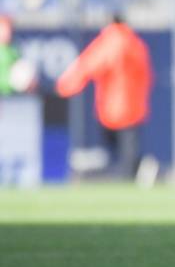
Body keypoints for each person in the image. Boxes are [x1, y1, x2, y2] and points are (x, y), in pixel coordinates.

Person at [56, 14, 154, 178]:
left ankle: (131, 174)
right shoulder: (136, 43)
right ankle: (139, 170)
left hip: (114, 104)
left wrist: (66, 85)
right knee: (128, 146)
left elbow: (90, 65)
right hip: (134, 104)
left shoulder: (112, 42)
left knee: (119, 149)